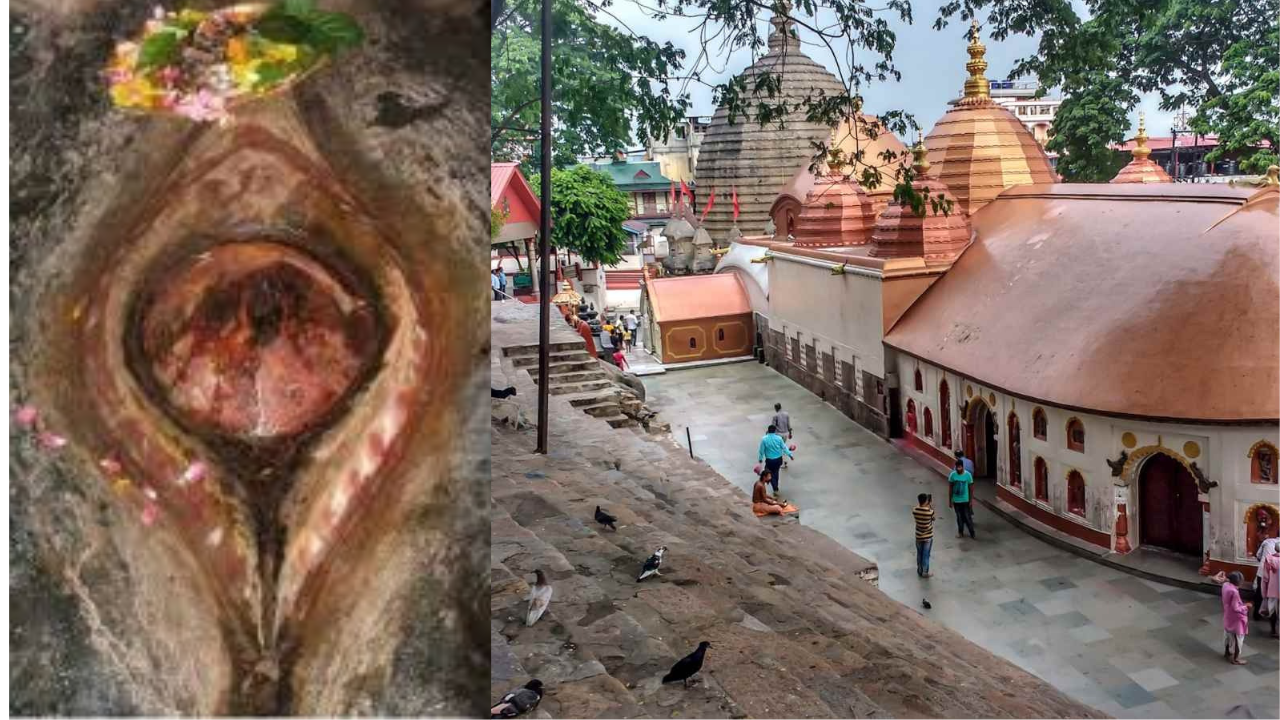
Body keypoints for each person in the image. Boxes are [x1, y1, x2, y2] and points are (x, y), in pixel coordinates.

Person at [1221, 571, 1250, 665]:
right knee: (1239, 637)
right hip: (1236, 618)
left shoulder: (1225, 585)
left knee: (1228, 634)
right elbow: (1236, 608)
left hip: (1227, 614)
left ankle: (1227, 652)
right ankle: (1236, 658)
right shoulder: (1235, 592)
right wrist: (1246, 606)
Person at [757, 425, 794, 496]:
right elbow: (784, 448)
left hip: (769, 460)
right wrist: (790, 455)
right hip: (778, 459)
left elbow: (761, 450)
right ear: (775, 431)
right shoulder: (779, 438)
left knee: (767, 472)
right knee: (776, 472)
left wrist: (760, 459)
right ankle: (775, 486)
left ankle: (775, 487)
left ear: (768, 430)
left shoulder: (764, 439)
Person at [948, 459, 975, 539]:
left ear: (962, 466)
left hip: (965, 500)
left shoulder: (968, 475)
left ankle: (972, 532)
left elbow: (971, 489)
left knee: (967, 517)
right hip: (956, 500)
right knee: (959, 517)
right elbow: (950, 488)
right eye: (957, 467)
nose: (958, 469)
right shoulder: (952, 475)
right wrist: (950, 501)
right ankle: (960, 532)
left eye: (960, 467)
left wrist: (970, 501)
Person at [912, 493, 935, 578]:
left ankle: (919, 570)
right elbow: (934, 518)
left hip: (918, 536)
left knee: (919, 553)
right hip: (928, 537)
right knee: (926, 555)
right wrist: (930, 505)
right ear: (927, 501)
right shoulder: (930, 512)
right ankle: (925, 572)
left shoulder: (915, 510)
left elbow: (918, 507)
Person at [1261, 550, 1280, 638]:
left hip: (1272, 590)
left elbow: (1265, 578)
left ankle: (1273, 631)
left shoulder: (1269, 560)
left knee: (1272, 611)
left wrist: (1264, 593)